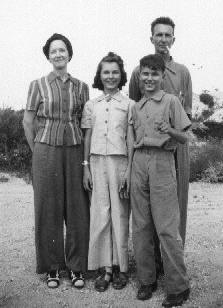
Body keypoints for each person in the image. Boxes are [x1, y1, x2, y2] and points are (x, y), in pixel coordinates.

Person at [23, 33, 89, 289]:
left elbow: (85, 123)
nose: (58, 54)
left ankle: (76, 268)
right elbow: (28, 122)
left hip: (74, 149)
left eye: (62, 50)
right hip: (45, 151)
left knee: (77, 209)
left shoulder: (82, 87)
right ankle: (52, 268)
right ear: (48, 56)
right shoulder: (37, 85)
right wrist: (37, 150)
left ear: (69, 54)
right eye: (53, 51)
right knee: (48, 209)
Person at [129, 17, 192, 271]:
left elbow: (187, 114)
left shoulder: (183, 72)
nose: (163, 39)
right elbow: (136, 108)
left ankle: (173, 264)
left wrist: (173, 135)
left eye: (168, 35)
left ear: (173, 39)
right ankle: (151, 264)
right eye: (159, 35)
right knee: (145, 211)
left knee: (174, 208)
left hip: (175, 148)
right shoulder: (138, 71)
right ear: (151, 38)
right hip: (148, 152)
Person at [81, 52, 135, 292]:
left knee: (120, 215)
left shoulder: (130, 105)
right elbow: (87, 137)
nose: (111, 76)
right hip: (96, 163)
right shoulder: (92, 105)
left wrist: (129, 171)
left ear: (121, 75)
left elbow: (131, 140)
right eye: (106, 72)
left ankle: (121, 267)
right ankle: (105, 268)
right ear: (99, 76)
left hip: (120, 163)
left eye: (115, 72)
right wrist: (86, 168)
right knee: (100, 214)